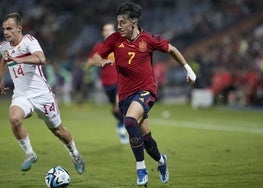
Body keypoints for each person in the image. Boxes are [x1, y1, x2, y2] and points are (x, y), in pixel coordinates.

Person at [89, 2, 196, 186]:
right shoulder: (114, 39)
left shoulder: (148, 39)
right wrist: (102, 62)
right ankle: (161, 161)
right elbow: (97, 56)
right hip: (125, 96)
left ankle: (141, 168)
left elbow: (171, 49)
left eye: (122, 22)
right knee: (147, 142)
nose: (119, 26)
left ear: (134, 22)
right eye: (118, 22)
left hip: (146, 90)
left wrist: (188, 69)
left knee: (129, 121)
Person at [0, 12, 85, 174]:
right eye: (4, 28)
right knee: (14, 118)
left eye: (9, 28)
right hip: (21, 95)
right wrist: (0, 79)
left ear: (19, 29)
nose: (5, 32)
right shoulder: (4, 46)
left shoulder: (29, 41)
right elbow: (4, 59)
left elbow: (41, 58)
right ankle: (30, 153)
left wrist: (21, 59)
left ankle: (74, 154)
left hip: (42, 96)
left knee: (58, 131)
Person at [87, 21, 128, 144]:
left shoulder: (121, 44)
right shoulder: (99, 47)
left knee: (119, 102)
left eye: (110, 29)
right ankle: (121, 123)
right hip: (106, 83)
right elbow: (88, 64)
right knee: (114, 109)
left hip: (120, 80)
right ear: (103, 32)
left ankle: (123, 126)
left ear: (114, 31)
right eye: (105, 30)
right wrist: (101, 61)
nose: (108, 32)